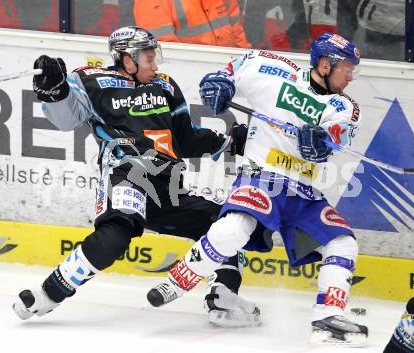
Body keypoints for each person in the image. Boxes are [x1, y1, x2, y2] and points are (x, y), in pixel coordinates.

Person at [12, 25, 260, 328]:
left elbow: (185, 140)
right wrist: (54, 91)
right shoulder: (90, 81)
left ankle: (223, 297)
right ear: (126, 59)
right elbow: (66, 120)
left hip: (168, 185)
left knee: (226, 223)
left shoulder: (166, 86)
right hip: (126, 175)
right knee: (113, 238)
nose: (154, 65)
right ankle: (46, 294)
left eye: (154, 57)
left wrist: (231, 140)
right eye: (147, 58)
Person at [147, 32, 369, 346]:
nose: (350, 76)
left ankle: (327, 317)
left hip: (304, 194)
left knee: (343, 243)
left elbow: (340, 130)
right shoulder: (274, 70)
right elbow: (231, 71)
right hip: (262, 178)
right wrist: (219, 85)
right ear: (324, 64)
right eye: (346, 68)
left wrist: (321, 137)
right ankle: (179, 279)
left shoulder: (344, 105)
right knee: (234, 228)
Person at [134, 0, 251, 48]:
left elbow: (235, 27)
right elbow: (164, 50)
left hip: (229, 68)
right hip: (191, 73)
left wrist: (245, 59)